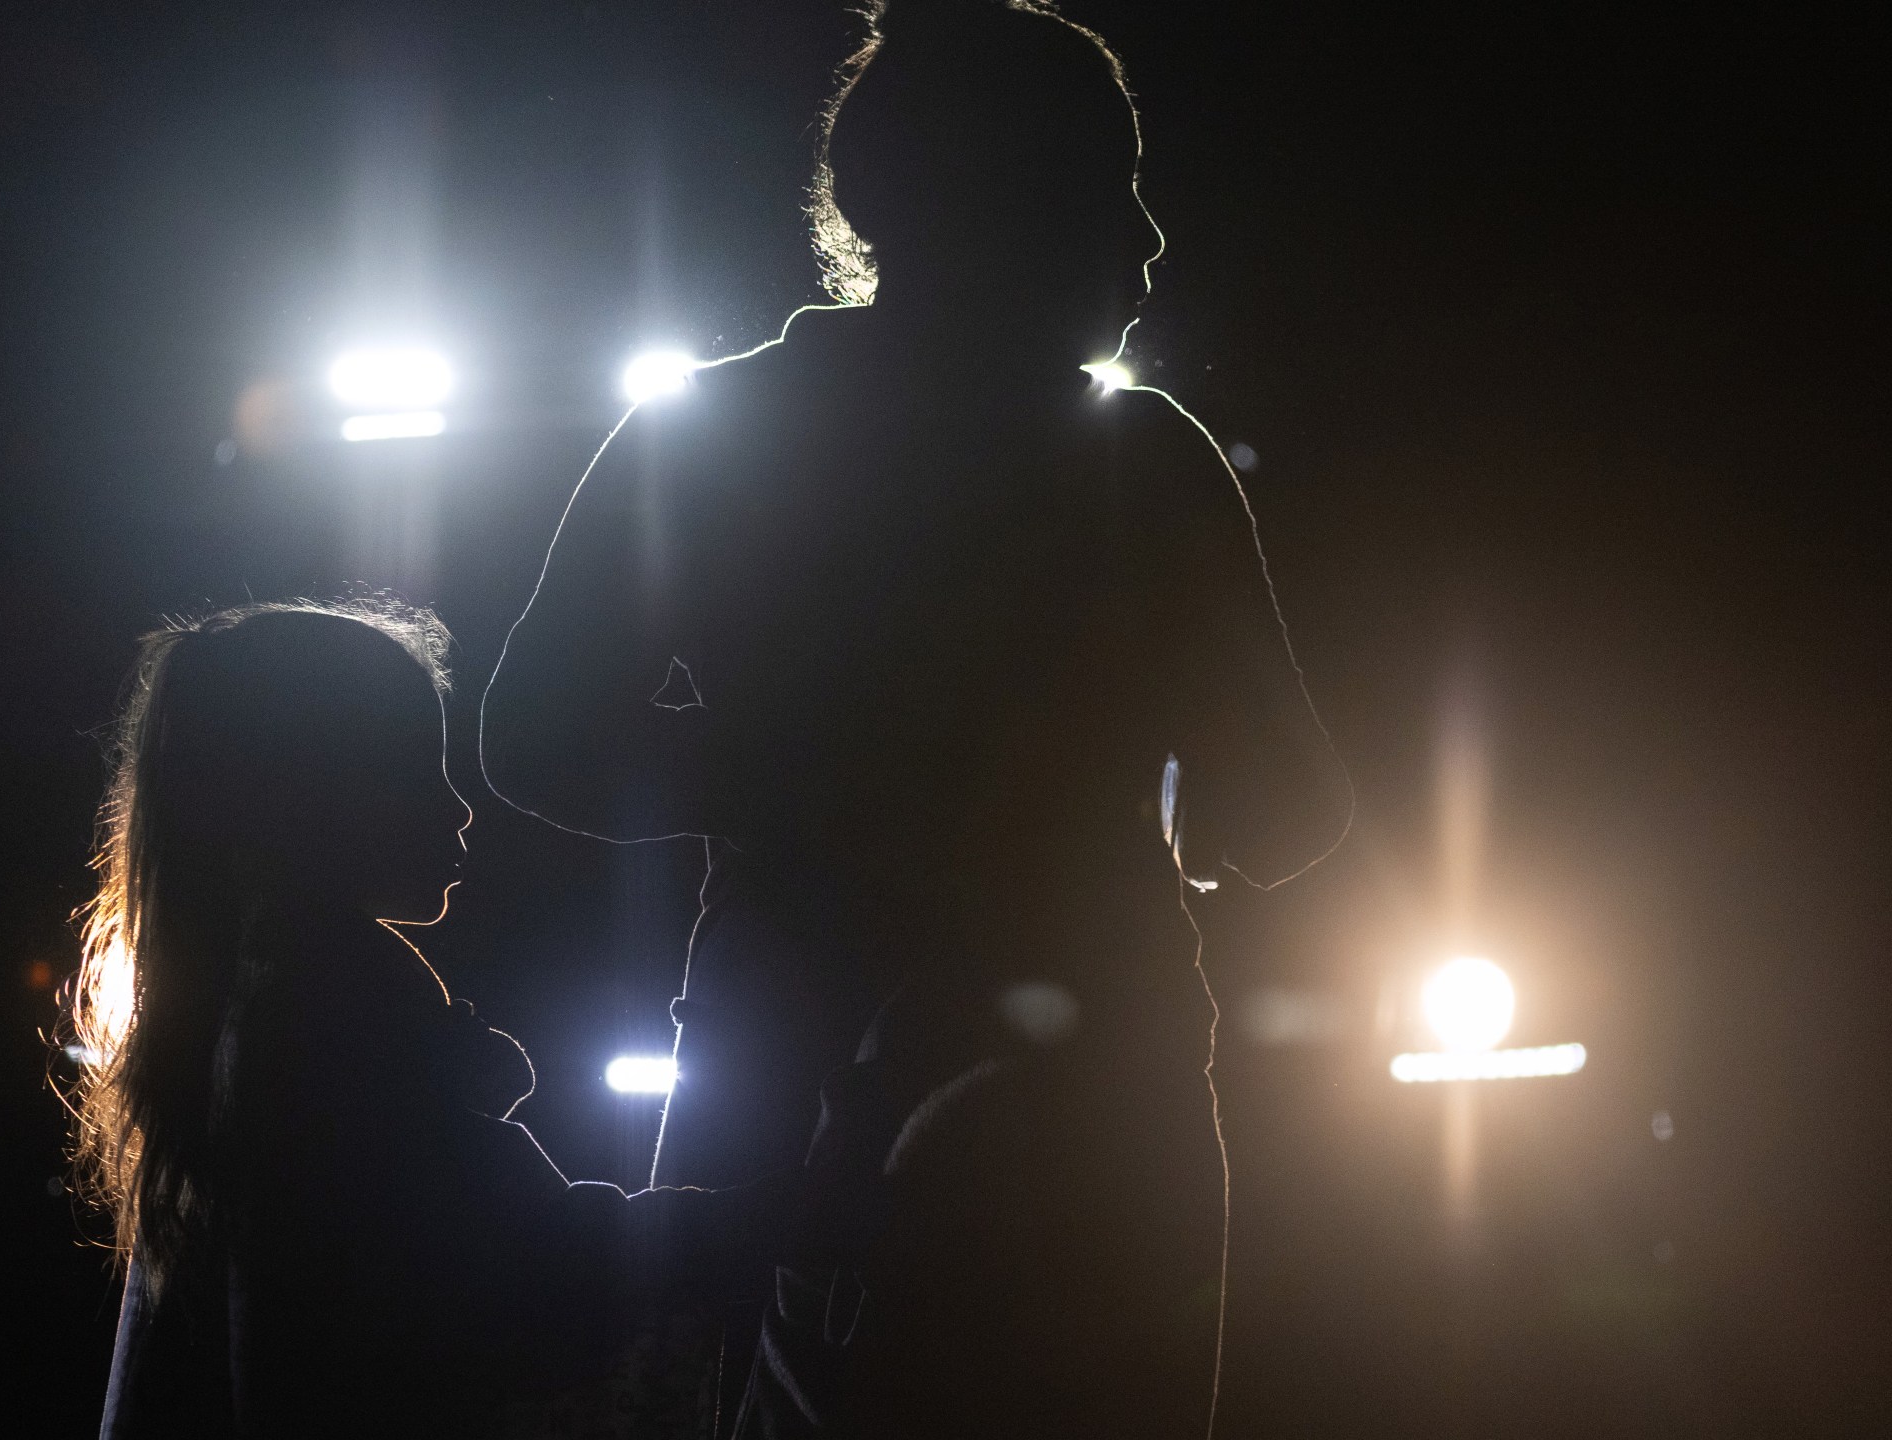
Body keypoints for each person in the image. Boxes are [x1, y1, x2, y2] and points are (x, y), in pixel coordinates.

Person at [481, 1, 1349, 1433]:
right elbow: (1301, 813)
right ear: (1016, 203)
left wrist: (785, 773)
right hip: (1098, 1095)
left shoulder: (711, 437)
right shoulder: (1145, 468)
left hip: (784, 1066)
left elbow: (528, 739)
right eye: (1111, 184)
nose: (1147, 239)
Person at [68, 600, 813, 1439]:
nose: (461, 810)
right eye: (419, 770)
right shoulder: (333, 998)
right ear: (309, 793)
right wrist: (796, 1211)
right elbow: (541, 1267)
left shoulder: (219, 1005)